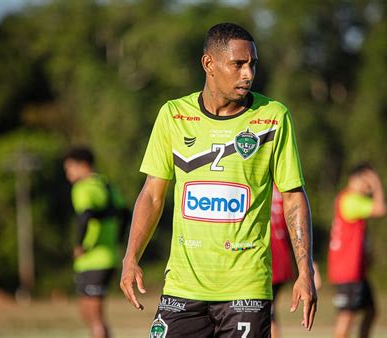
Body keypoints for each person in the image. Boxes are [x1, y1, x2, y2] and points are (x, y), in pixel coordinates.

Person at [120, 22, 317, 337]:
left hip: (246, 290)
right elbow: (152, 195)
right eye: (238, 64)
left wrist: (305, 270)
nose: (248, 74)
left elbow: (294, 197)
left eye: (252, 64)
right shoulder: (173, 115)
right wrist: (131, 258)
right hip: (182, 287)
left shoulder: (274, 117)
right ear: (208, 64)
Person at [64, 146, 130, 338]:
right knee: (88, 313)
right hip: (109, 256)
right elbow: (125, 214)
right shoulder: (107, 186)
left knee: (94, 317)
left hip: (93, 258)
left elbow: (85, 216)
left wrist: (79, 245)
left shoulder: (83, 187)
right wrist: (118, 240)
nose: (68, 174)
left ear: (83, 165)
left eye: (69, 168)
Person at [327, 163, 387, 338]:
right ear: (355, 179)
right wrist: (377, 184)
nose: (368, 187)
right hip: (347, 270)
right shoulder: (350, 199)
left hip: (356, 271)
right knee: (346, 319)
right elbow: (381, 208)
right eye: (366, 181)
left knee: (370, 311)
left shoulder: (349, 199)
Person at [270, 184, 322, 338]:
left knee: (265, 312)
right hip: (280, 264)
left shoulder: (283, 191)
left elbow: (296, 226)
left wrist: (310, 269)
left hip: (270, 262)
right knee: (267, 312)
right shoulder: (283, 191)